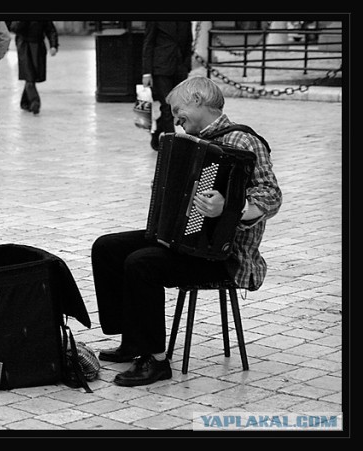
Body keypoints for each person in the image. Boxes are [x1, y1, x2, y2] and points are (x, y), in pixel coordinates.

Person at [91, 76, 282, 387]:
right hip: (187, 242)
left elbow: (272, 197)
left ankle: (155, 361)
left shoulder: (244, 142)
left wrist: (229, 208)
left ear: (197, 101)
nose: (175, 117)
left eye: (177, 109)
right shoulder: (188, 143)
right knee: (107, 247)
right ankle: (133, 339)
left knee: (142, 263)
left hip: (223, 255)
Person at [142, 21, 192, 150]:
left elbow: (188, 40)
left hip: (179, 67)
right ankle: (171, 145)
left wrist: (186, 65)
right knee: (167, 105)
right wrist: (146, 72)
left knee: (177, 106)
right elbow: (149, 42)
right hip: (160, 67)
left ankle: (157, 131)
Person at [9, 21, 58, 115]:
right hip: (24, 46)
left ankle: (25, 103)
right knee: (29, 74)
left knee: (33, 75)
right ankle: (35, 102)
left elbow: (50, 29)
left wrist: (53, 45)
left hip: (38, 46)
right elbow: (13, 27)